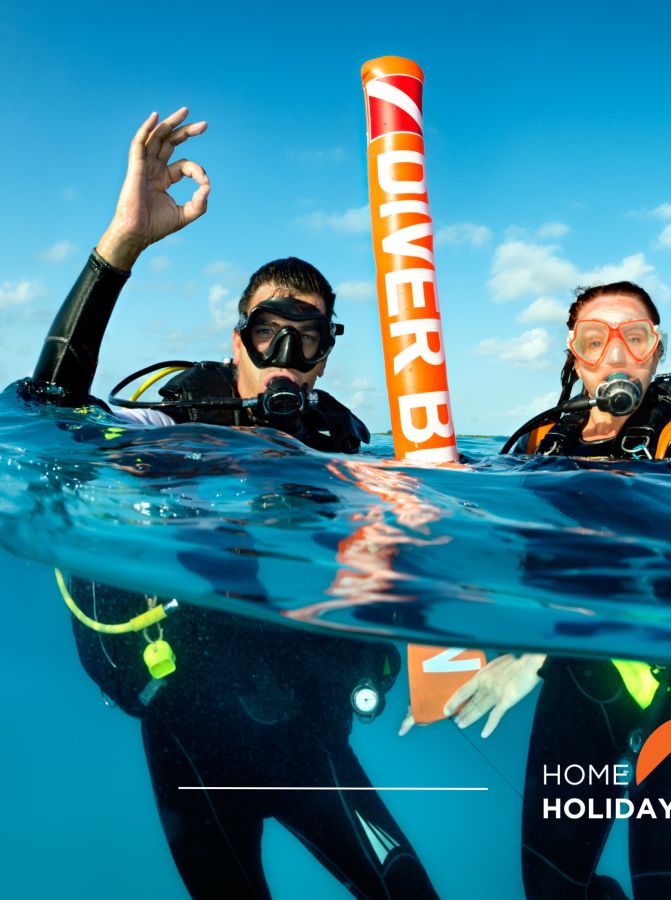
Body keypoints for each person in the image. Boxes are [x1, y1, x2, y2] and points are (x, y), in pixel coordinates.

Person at [22, 108, 439, 899]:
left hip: (313, 733)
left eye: (305, 341)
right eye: (267, 335)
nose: (284, 359)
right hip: (190, 735)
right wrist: (121, 247)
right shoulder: (177, 419)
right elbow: (50, 414)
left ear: (324, 358)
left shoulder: (340, 444)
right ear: (236, 342)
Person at [435, 282, 671, 900]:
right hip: (578, 693)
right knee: (549, 893)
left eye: (636, 336)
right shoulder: (537, 443)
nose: (616, 354)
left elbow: (657, 560)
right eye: (594, 340)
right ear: (574, 355)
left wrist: (534, 653)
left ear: (657, 352)